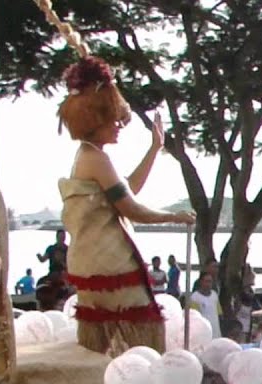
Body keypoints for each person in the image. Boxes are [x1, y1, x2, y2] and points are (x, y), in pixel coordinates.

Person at [57, 56, 195, 353]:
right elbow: (131, 208)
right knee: (145, 326)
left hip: (91, 262)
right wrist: (174, 217)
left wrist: (155, 149)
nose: (120, 126)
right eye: (115, 120)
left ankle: (105, 379)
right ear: (96, 119)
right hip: (109, 265)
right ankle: (144, 376)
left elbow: (128, 189)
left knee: (98, 333)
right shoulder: (95, 158)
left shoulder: (90, 156)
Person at [188, 273, 222, 339]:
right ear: (201, 282)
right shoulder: (195, 297)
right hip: (203, 333)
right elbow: (194, 317)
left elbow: (219, 313)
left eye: (210, 281)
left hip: (216, 332)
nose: (208, 284)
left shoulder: (214, 295)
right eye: (206, 281)